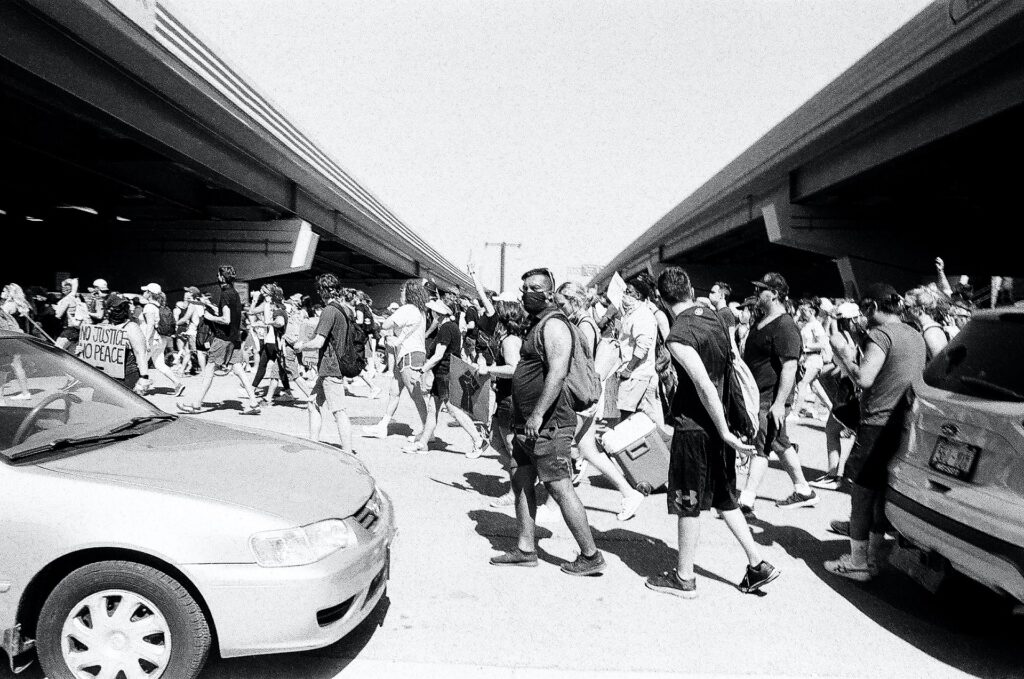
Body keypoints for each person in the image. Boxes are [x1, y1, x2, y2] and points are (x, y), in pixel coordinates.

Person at [645, 267, 778, 598]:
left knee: (687, 501)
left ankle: (684, 578)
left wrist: (723, 430)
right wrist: (730, 429)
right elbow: (728, 372)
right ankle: (757, 563)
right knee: (723, 497)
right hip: (720, 428)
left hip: (697, 428)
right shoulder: (716, 318)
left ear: (661, 299)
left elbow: (703, 384)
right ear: (690, 289)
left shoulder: (679, 334)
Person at [488, 267, 606, 577]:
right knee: (522, 481)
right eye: (525, 287)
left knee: (560, 487)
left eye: (535, 287)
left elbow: (558, 372)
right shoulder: (537, 323)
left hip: (549, 424)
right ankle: (526, 549)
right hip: (527, 423)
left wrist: (538, 414)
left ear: (550, 293)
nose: (528, 292)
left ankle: (590, 555)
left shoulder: (554, 325)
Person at [825, 284, 925, 581]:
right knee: (881, 494)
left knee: (862, 495)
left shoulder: (880, 336)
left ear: (870, 308)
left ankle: (858, 562)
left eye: (863, 310)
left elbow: (865, 378)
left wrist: (844, 354)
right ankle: (873, 556)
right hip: (903, 423)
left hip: (876, 424)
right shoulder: (914, 333)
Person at [555, 281, 646, 520]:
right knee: (588, 450)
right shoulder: (585, 323)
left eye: (562, 303)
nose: (559, 308)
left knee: (560, 448)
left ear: (574, 301)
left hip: (582, 397)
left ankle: (553, 505)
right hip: (589, 396)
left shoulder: (584, 326)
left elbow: (581, 367)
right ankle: (629, 493)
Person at [737, 272, 818, 514]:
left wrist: (779, 403)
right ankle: (804, 490)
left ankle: (746, 500)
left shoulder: (784, 325)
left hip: (771, 397)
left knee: (762, 442)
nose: (756, 293)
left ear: (774, 294)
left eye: (761, 290)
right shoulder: (761, 321)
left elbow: (790, 365)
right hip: (757, 394)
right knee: (778, 442)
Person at [403, 300, 488, 456]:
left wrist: (421, 370)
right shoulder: (451, 327)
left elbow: (438, 355)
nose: (430, 313)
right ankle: (423, 443)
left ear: (437, 313)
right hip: (443, 373)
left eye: (432, 311)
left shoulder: (446, 328)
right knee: (432, 409)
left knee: (453, 409)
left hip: (445, 374)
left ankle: (478, 440)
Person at [177, 265, 261, 415]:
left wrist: (210, 317)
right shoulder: (234, 293)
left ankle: (196, 404)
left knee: (209, 370)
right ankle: (254, 402)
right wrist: (208, 305)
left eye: (218, 275)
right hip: (234, 338)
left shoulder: (225, 294)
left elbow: (226, 319)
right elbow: (229, 313)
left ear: (222, 278)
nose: (216, 277)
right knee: (239, 370)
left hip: (223, 338)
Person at [293, 273, 357, 454]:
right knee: (312, 403)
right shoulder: (342, 309)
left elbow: (319, 342)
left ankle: (347, 451)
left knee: (338, 411)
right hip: (330, 366)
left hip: (330, 367)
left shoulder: (329, 311)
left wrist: (301, 346)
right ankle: (313, 443)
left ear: (322, 291)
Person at [363, 280, 430, 439]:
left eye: (402, 291)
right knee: (394, 392)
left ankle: (428, 430)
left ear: (409, 294)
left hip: (408, 355)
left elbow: (386, 324)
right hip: (412, 354)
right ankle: (383, 426)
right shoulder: (420, 311)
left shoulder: (407, 309)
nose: (400, 293)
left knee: (416, 395)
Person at [478, 300, 528, 506]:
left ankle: (515, 492)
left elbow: (514, 368)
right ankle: (523, 481)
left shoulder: (509, 341)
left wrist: (489, 369)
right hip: (505, 397)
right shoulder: (509, 338)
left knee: (511, 447)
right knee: (496, 441)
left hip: (511, 398)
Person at [615, 276, 661, 424]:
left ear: (638, 295)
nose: (625, 295)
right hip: (634, 374)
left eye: (629, 292)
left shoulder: (642, 315)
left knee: (628, 417)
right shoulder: (632, 313)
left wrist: (628, 368)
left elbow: (643, 346)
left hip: (637, 374)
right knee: (638, 417)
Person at [103, 293, 153, 394]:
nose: (121, 309)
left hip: (127, 376)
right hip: (105, 377)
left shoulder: (131, 327)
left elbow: (140, 353)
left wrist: (144, 377)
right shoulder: (104, 327)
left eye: (123, 306)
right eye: (117, 307)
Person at [139, 284, 184, 396]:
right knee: (159, 364)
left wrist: (146, 341)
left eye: (145, 291)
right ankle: (177, 383)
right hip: (161, 339)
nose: (143, 293)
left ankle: (140, 388)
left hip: (151, 339)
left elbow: (150, 325)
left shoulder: (149, 307)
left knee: (141, 362)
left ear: (149, 294)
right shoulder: (160, 306)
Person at [795, 298, 832, 420]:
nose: (802, 313)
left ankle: (795, 413)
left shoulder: (816, 325)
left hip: (814, 359)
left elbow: (822, 344)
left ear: (811, 311)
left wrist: (806, 347)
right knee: (815, 388)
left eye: (804, 310)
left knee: (802, 384)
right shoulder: (808, 325)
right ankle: (831, 409)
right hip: (807, 359)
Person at [1, 284, 33, 400]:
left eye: (5, 291)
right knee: (17, 365)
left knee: (5, 366)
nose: (2, 293)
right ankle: (25, 392)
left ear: (10, 292)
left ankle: (2, 395)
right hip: (20, 337)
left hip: (10, 338)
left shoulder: (8, 306)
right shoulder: (23, 305)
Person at [905, 286, 949, 362]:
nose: (904, 310)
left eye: (907, 307)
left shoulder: (931, 333)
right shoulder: (927, 330)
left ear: (921, 309)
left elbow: (940, 365)